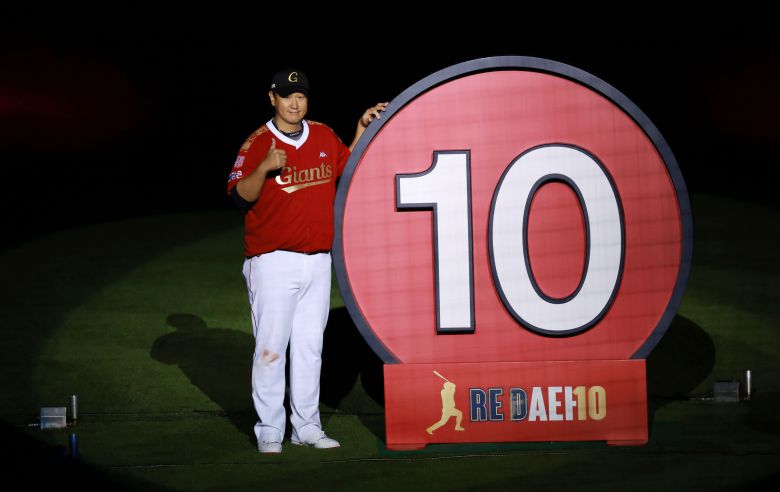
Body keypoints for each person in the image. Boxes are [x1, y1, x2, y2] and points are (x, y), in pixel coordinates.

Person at [226, 68, 387, 454]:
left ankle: (307, 427)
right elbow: (237, 196)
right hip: (272, 261)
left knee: (310, 348)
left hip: (316, 261)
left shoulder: (323, 135)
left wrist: (361, 127)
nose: (294, 102)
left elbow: (346, 169)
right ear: (272, 99)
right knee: (271, 348)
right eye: (286, 96)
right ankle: (268, 428)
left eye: (300, 95)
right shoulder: (257, 142)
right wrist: (264, 167)